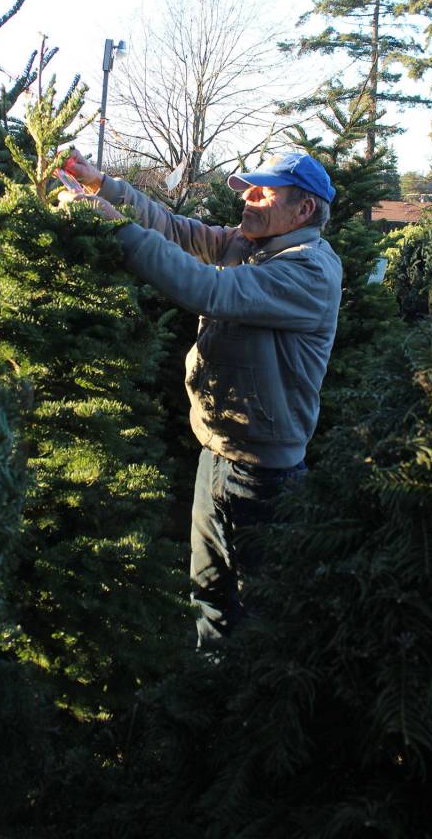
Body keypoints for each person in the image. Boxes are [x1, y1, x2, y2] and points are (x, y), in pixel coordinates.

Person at [58, 151, 342, 648]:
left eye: (263, 191)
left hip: (264, 475)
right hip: (214, 455)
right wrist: (103, 185)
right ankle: (207, 690)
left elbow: (205, 289)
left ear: (304, 211)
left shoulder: (307, 271)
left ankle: (244, 715)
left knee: (258, 613)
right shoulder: (247, 243)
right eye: (247, 188)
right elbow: (176, 230)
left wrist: (112, 229)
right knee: (207, 594)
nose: (247, 199)